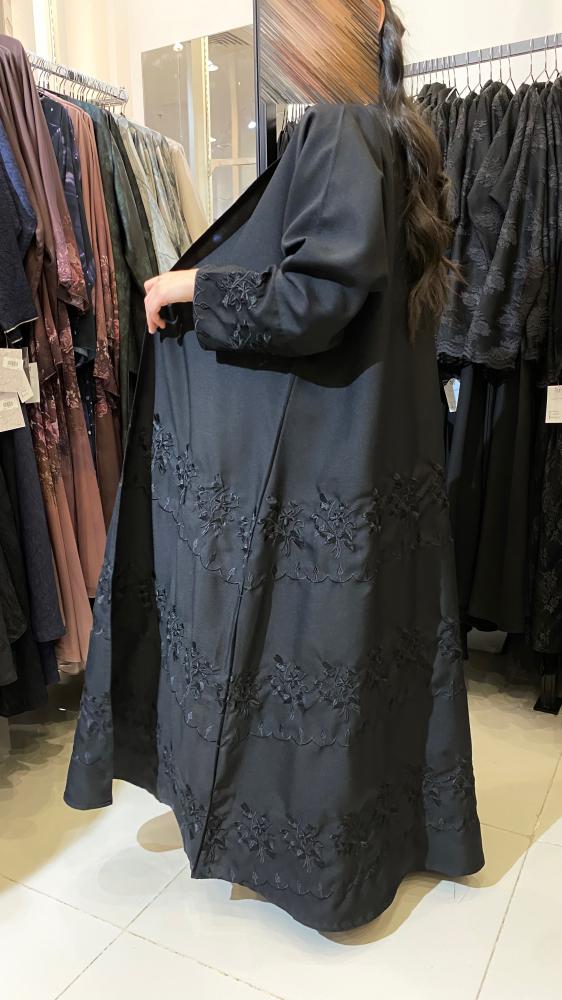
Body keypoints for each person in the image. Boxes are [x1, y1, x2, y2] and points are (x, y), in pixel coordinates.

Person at [65, 0, 484, 932]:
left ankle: (317, 864)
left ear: (334, 27)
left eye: (291, 21)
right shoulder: (394, 130)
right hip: (364, 443)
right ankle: (365, 845)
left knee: (311, 645)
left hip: (328, 455)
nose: (278, 44)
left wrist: (189, 285)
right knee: (358, 644)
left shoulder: (341, 128)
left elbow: (312, 301)